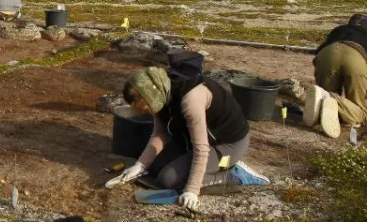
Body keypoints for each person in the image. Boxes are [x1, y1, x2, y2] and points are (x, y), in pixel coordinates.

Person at [105, 50, 269, 211]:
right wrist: (140, 165)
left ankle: (234, 173)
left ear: (152, 96)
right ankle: (211, 167)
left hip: (227, 144)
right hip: (193, 139)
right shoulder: (160, 93)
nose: (143, 112)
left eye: (144, 107)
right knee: (154, 166)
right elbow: (160, 133)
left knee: (169, 179)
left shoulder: (191, 101)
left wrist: (192, 191)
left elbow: (202, 148)